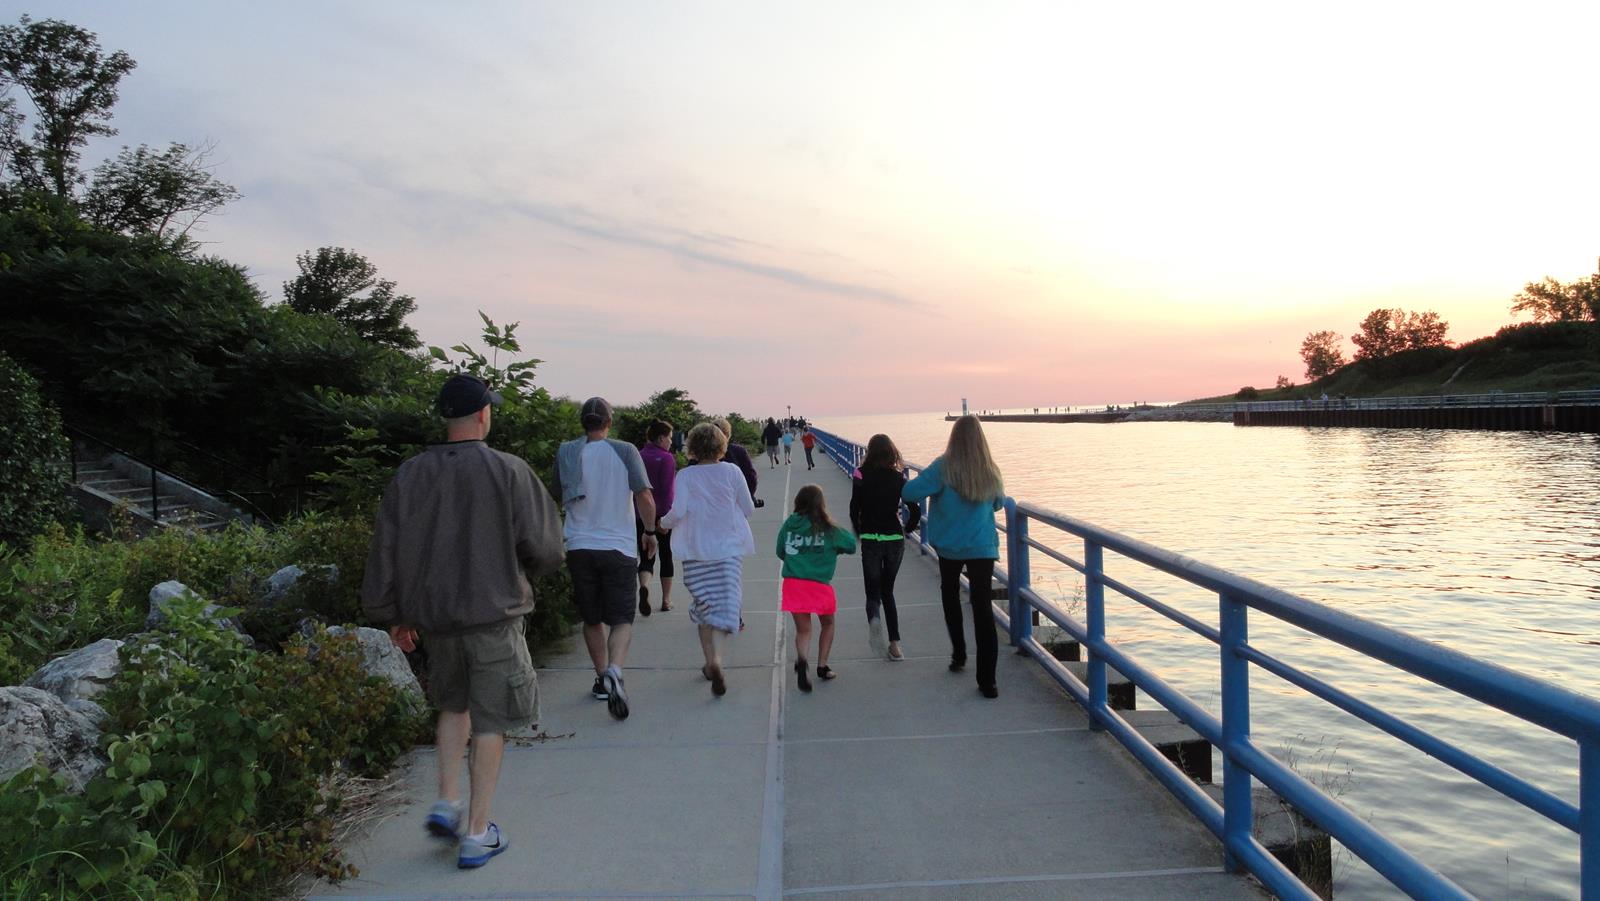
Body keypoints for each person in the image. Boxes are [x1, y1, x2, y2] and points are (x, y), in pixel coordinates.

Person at [362, 374, 564, 869]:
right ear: (482, 414)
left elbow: (386, 548)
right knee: (491, 721)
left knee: (453, 706)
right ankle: (477, 833)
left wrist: (393, 614)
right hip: (493, 617)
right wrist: (524, 570)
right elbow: (546, 548)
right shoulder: (508, 470)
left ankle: (447, 800)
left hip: (437, 621)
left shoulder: (410, 475)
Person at [555, 397, 657, 720]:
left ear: (582, 422)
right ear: (609, 422)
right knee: (622, 619)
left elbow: (557, 494)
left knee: (591, 618)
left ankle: (601, 679)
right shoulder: (625, 450)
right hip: (618, 547)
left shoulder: (567, 452)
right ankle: (615, 670)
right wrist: (650, 531)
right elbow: (644, 495)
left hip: (579, 546)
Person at [903, 414, 1005, 699]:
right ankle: (988, 681)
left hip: (949, 546)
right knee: (983, 608)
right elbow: (998, 503)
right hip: (982, 547)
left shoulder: (943, 467)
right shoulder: (990, 468)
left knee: (950, 594)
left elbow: (909, 491)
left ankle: (959, 653)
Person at [661, 423, 756, 696]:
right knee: (725, 609)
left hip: (696, 551)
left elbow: (678, 510)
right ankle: (717, 661)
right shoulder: (732, 471)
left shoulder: (685, 476)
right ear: (721, 445)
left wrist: (663, 524)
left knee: (704, 608)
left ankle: (709, 661)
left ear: (692, 447)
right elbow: (748, 508)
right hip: (727, 551)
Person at [778, 484, 857, 691]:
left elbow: (780, 551)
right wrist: (832, 550)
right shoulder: (828, 528)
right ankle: (822, 666)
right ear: (821, 504)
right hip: (819, 584)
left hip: (794, 584)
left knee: (803, 630)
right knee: (828, 624)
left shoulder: (789, 525)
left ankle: (802, 660)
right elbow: (851, 545)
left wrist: (799, 556)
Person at [849, 434, 920, 661]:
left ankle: (874, 621)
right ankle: (895, 645)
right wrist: (907, 529)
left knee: (873, 593)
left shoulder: (860, 474)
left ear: (870, 452)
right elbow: (915, 510)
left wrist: (858, 530)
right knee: (888, 591)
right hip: (894, 539)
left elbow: (854, 507)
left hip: (871, 538)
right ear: (891, 452)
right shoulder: (899, 478)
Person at [637, 420, 677, 614]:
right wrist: (667, 517)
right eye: (669, 438)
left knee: (646, 555)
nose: (671, 442)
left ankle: (644, 586)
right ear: (661, 438)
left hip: (641, 513)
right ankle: (666, 600)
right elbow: (668, 490)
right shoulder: (667, 458)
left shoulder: (638, 455)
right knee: (666, 555)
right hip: (662, 514)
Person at [712, 417, 761, 506]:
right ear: (727, 434)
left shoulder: (701, 454)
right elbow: (751, 478)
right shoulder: (738, 451)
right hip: (735, 503)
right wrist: (747, 497)